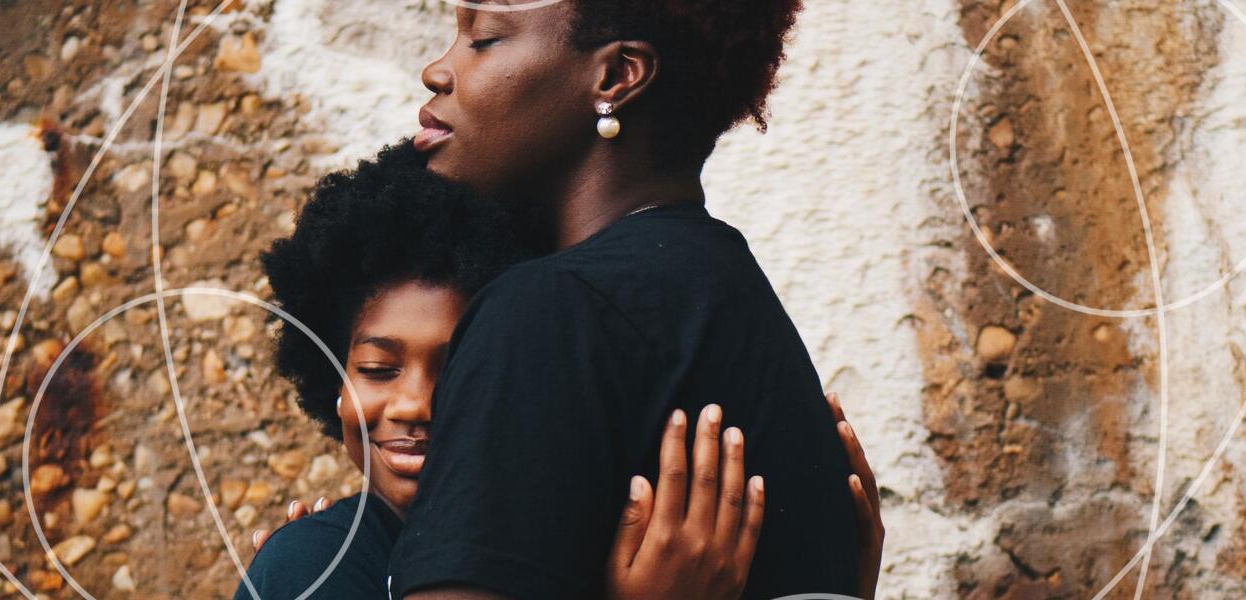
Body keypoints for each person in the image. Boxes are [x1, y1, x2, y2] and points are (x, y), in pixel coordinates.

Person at [236, 141, 880, 599]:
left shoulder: (620, 549)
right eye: (378, 368)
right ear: (332, 385)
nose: (415, 404)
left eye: (463, 367)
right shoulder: (311, 568)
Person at [392, 0, 879, 597]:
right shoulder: (733, 299)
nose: (438, 71)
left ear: (617, 77)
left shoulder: (549, 312)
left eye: (485, 39)